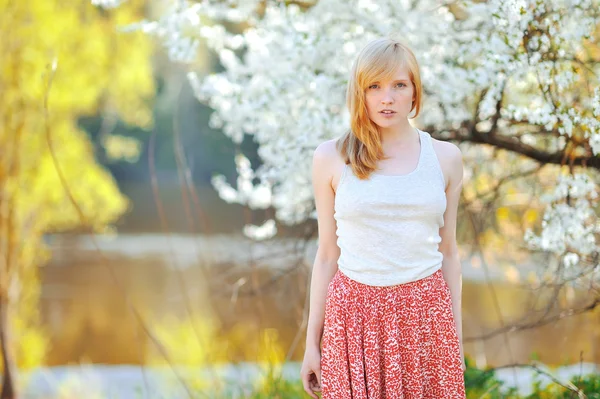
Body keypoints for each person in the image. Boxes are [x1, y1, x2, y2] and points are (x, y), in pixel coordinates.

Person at [300, 37, 466, 398]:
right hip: (352, 317)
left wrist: (456, 340)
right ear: (359, 92)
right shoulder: (331, 157)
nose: (386, 98)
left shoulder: (445, 158)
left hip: (426, 317)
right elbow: (328, 255)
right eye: (374, 86)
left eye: (399, 85)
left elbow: (449, 253)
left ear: (414, 93)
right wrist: (312, 343)